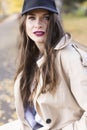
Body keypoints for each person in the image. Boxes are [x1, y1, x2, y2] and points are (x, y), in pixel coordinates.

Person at [1, 0, 87, 130]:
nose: (38, 25)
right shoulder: (30, 56)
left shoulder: (70, 57)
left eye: (45, 18)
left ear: (54, 22)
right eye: (32, 18)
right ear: (24, 23)